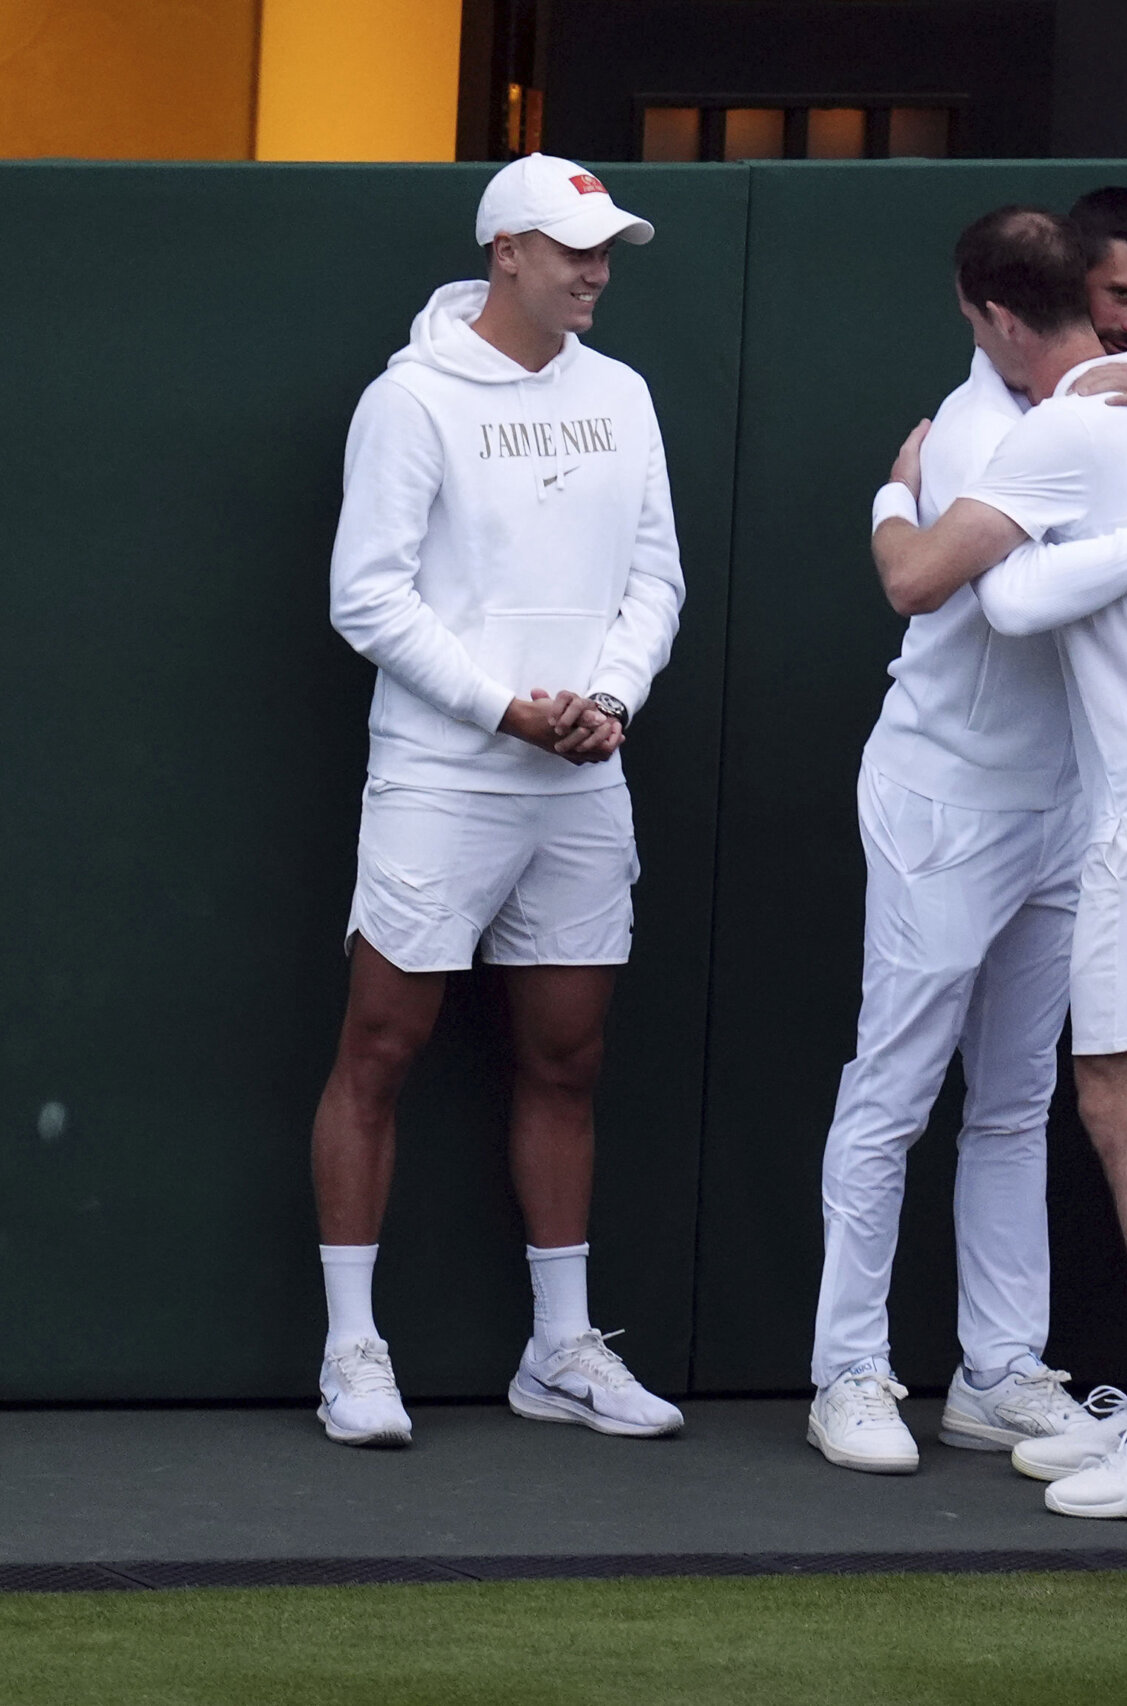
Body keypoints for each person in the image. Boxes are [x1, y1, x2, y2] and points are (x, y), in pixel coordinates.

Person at [808, 192, 1127, 1476]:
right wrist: (894, 488)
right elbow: (958, 590)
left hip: (1088, 805)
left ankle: (997, 1369)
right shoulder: (983, 429)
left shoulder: (1124, 396)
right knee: (896, 1090)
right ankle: (850, 1369)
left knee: (1031, 1097)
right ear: (1016, 312)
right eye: (1116, 305)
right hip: (947, 797)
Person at [309, 154, 685, 1447]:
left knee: (568, 1056)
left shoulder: (623, 395)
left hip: (586, 776)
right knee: (381, 1048)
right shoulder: (408, 401)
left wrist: (610, 701)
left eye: (607, 250)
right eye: (573, 247)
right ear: (504, 252)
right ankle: (353, 1348)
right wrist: (502, 707)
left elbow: (655, 578)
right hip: (443, 777)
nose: (595, 270)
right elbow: (368, 592)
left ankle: (561, 1349)